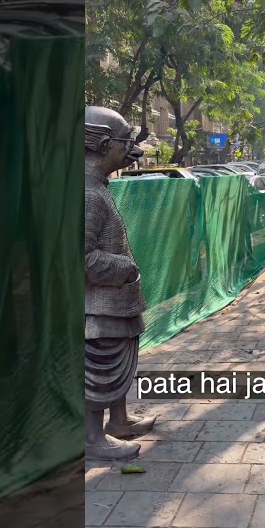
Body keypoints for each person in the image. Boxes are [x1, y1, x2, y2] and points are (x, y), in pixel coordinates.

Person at [85, 106, 156, 460]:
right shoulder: (86, 194)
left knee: (119, 358)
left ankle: (119, 420)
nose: (134, 151)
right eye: (125, 142)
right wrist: (125, 267)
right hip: (97, 305)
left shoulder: (98, 187)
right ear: (103, 143)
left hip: (116, 302)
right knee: (99, 367)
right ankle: (91, 438)